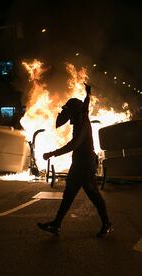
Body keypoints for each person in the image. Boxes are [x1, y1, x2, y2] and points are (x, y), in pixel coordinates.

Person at [38, 83, 113, 237]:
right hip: (78, 164)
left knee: (93, 195)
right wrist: (88, 94)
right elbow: (85, 106)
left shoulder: (83, 124)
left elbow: (74, 144)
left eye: (69, 112)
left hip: (85, 165)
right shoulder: (82, 115)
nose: (68, 115)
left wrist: (52, 153)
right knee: (69, 195)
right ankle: (56, 225)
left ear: (74, 112)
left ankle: (107, 224)